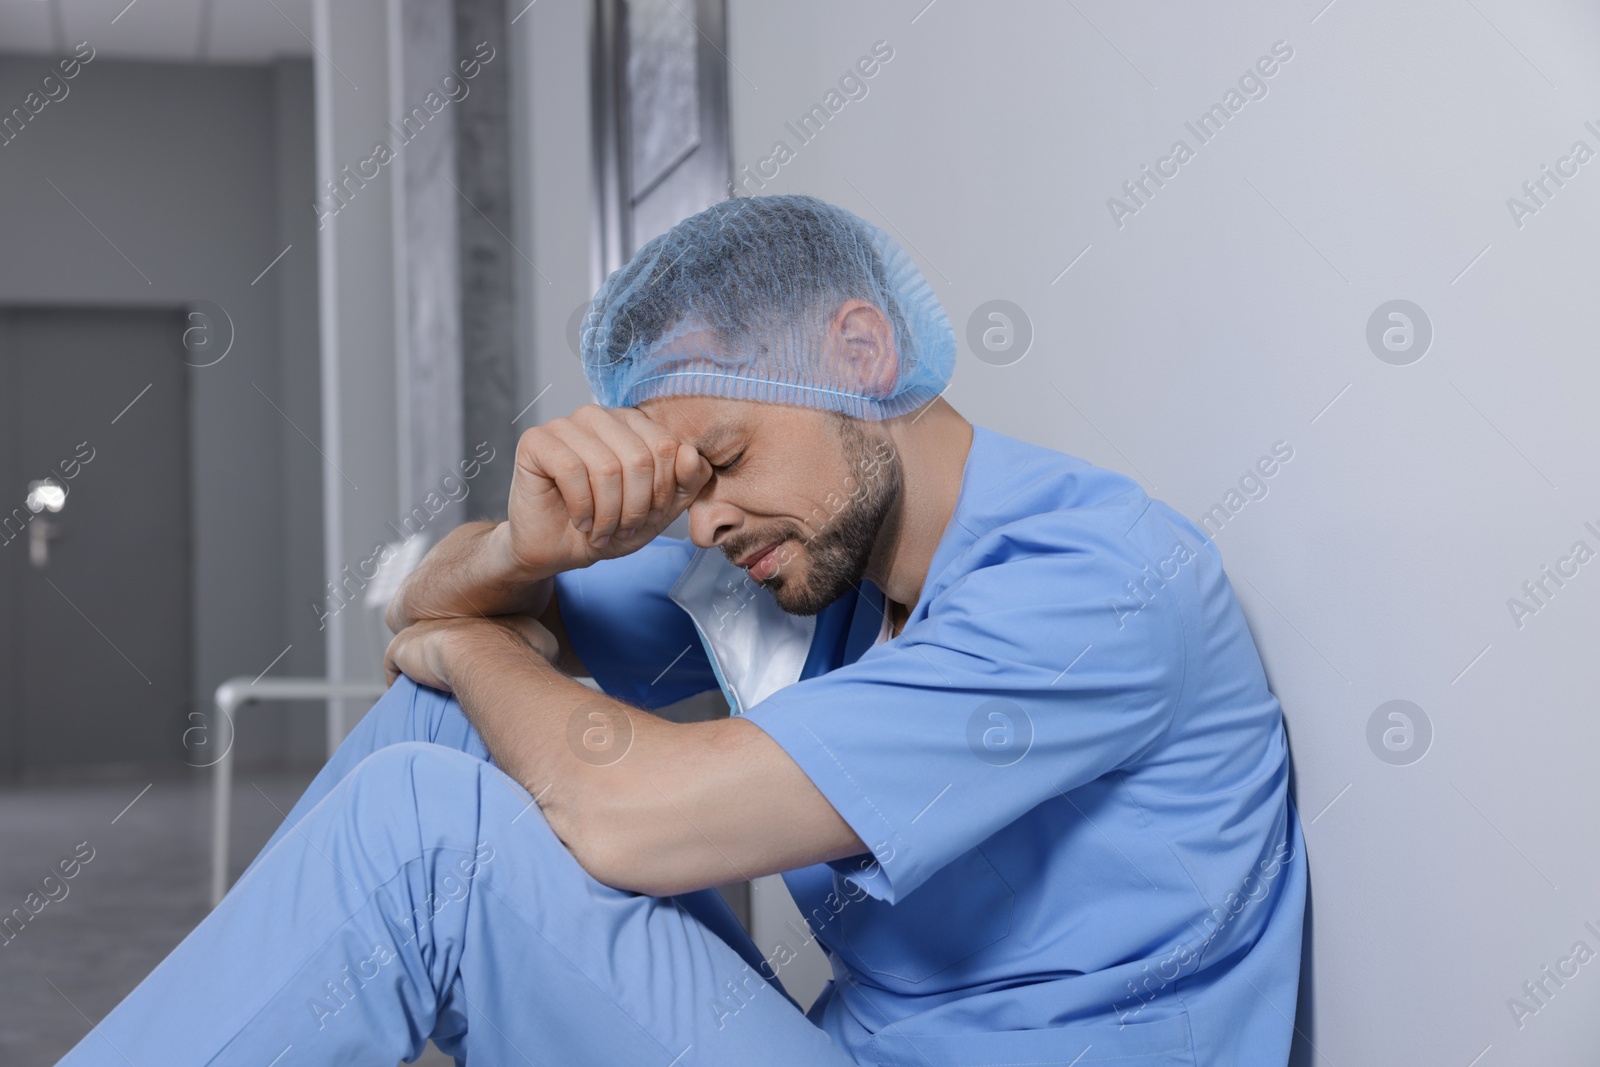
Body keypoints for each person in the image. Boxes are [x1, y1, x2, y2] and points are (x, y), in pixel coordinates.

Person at [57, 194, 1305, 1066]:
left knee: (421, 831)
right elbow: (423, 623)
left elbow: (630, 813)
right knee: (442, 722)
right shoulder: (813, 565)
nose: (702, 521)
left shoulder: (1091, 580)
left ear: (860, 352)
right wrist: (522, 555)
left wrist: (469, 640)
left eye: (723, 456)